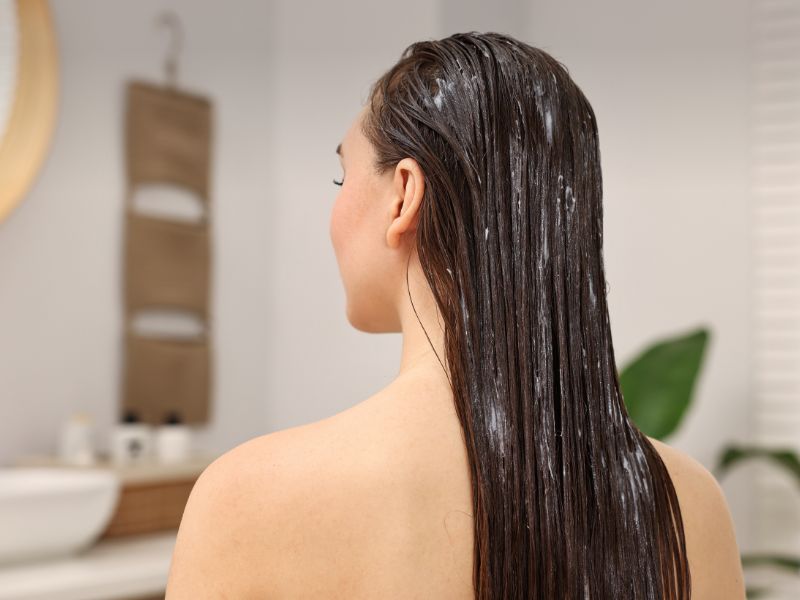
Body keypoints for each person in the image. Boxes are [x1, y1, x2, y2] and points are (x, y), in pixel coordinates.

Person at [165, 32, 745, 599]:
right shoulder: (688, 505)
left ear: (404, 194)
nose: (335, 207)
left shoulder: (248, 498)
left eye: (343, 177)